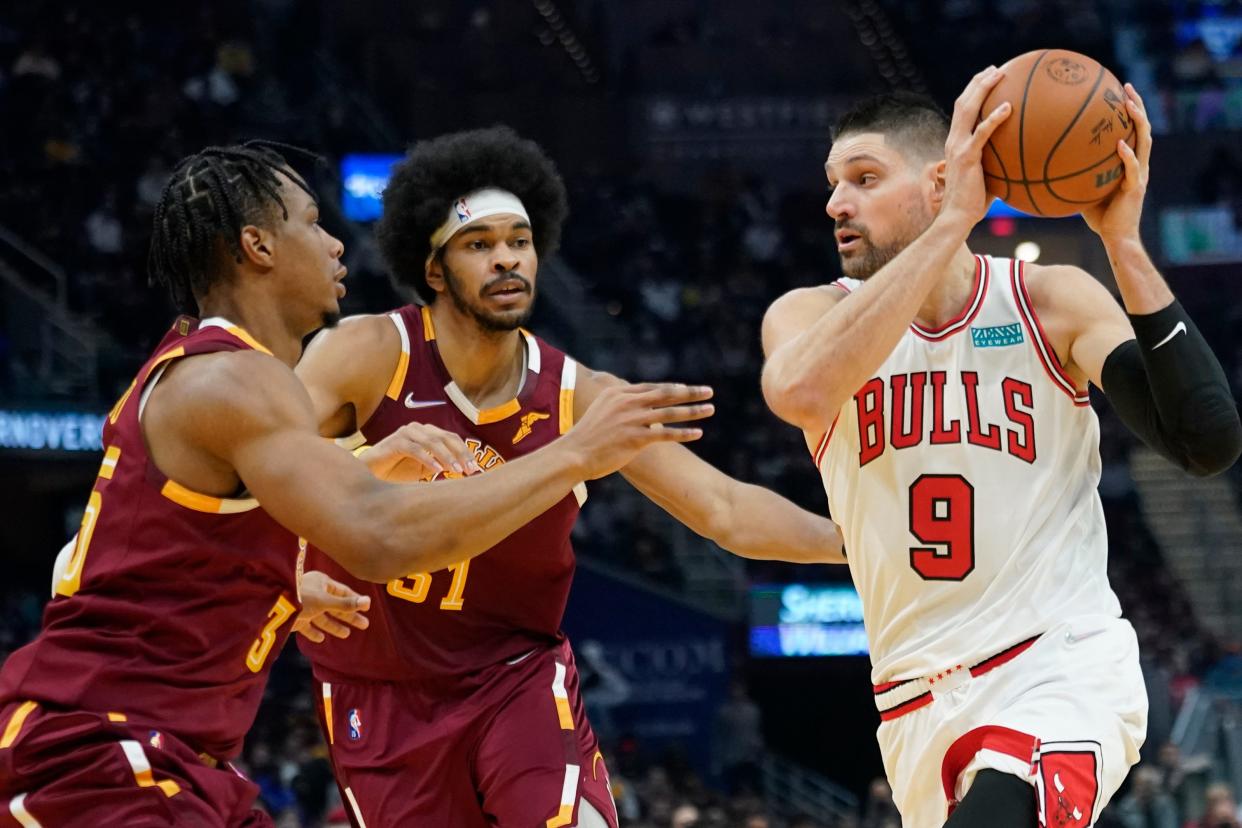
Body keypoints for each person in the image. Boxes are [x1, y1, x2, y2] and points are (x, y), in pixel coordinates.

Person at [0, 142, 716, 827]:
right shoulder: (232, 378)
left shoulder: (214, 371)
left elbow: (161, 542)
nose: (337, 244)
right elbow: (378, 538)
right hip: (100, 752)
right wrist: (574, 455)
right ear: (258, 247)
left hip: (175, 760)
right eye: (312, 224)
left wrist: (291, 567)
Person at [292, 126, 844, 827]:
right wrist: (287, 573)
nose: (506, 260)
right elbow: (266, 469)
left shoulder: (577, 395)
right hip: (378, 690)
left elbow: (726, 508)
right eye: (479, 244)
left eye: (518, 241)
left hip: (512, 677)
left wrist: (858, 540)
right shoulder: (367, 355)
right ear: (434, 269)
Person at [760, 69, 1242, 828]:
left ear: (944, 179)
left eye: (864, 177)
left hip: (1058, 664)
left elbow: (1205, 440)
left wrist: (1121, 243)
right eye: (832, 182)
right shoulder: (809, 315)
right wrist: (950, 223)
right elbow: (801, 394)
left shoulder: (1049, 301)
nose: (836, 203)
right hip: (914, 703)